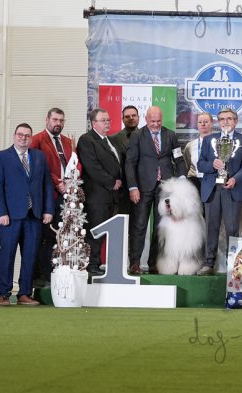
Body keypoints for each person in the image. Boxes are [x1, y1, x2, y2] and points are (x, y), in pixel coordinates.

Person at [0, 123, 54, 306]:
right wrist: (1, 213)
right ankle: (3, 294)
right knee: (7, 255)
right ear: (14, 136)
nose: (23, 138)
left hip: (34, 215)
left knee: (30, 256)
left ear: (31, 138)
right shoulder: (2, 157)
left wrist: (48, 210)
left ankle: (25, 293)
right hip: (10, 217)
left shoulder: (39, 156)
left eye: (27, 135)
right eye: (20, 134)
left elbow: (47, 185)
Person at [125, 106, 182, 275]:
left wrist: (181, 181)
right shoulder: (137, 135)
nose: (156, 124)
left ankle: (154, 263)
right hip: (142, 187)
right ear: (146, 119)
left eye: (158, 121)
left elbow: (179, 159)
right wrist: (133, 187)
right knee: (139, 224)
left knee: (160, 226)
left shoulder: (170, 135)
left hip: (165, 188)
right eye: (152, 121)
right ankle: (135, 263)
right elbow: (130, 162)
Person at [197, 108, 242, 275]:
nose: (225, 122)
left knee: (232, 228)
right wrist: (212, 164)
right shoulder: (209, 140)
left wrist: (235, 179)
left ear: (235, 121)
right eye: (222, 119)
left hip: (233, 189)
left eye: (229, 119)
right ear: (218, 122)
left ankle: (233, 264)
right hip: (212, 189)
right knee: (211, 228)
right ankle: (208, 263)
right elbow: (200, 164)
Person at [29, 108, 74, 288]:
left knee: (59, 238)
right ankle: (40, 277)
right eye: (55, 120)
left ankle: (54, 274)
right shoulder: (37, 140)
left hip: (67, 196)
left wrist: (71, 182)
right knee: (44, 237)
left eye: (61, 120)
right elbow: (37, 167)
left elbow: (76, 163)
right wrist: (57, 182)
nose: (58, 123)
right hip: (47, 197)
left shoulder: (68, 141)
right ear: (47, 120)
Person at [76, 109, 124, 277]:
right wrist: (111, 182)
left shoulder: (110, 140)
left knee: (103, 231)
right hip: (96, 195)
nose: (107, 123)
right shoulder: (87, 140)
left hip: (111, 196)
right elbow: (92, 166)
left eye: (108, 120)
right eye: (103, 120)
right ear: (93, 123)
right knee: (94, 230)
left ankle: (97, 263)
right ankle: (91, 264)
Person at [111, 105, 139, 216]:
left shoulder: (147, 137)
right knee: (123, 220)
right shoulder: (113, 139)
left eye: (134, 115)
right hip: (122, 190)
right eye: (127, 116)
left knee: (139, 222)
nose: (131, 118)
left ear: (138, 117)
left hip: (144, 188)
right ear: (122, 119)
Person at [184, 112, 214, 198]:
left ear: (212, 123)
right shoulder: (190, 146)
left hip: (212, 182)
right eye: (200, 122)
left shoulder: (218, 144)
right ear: (197, 124)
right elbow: (186, 165)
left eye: (206, 122)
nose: (203, 124)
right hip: (194, 182)